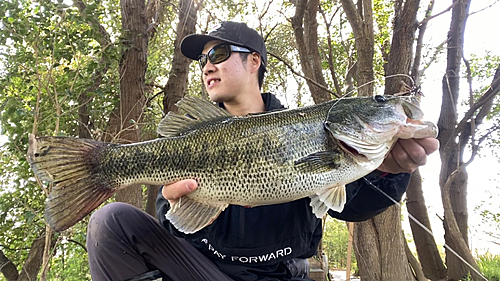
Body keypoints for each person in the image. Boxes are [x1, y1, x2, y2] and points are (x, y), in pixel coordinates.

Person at [86, 21, 439, 281]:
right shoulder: (194, 136)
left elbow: (353, 207)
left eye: (219, 54)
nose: (208, 65)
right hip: (204, 271)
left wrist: (391, 170)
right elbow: (173, 224)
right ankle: (98, 165)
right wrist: (175, 203)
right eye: (203, 61)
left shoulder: (313, 132)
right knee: (111, 222)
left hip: (281, 275)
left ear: (254, 61)